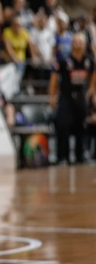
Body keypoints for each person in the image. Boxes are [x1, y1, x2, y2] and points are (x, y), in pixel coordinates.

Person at [49, 33, 95, 165]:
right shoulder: (63, 59)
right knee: (63, 127)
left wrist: (91, 91)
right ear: (71, 44)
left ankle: (80, 156)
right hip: (66, 98)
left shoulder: (89, 60)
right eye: (75, 41)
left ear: (85, 44)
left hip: (81, 98)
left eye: (80, 42)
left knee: (81, 127)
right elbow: (54, 79)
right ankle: (62, 157)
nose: (78, 44)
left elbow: (93, 77)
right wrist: (52, 96)